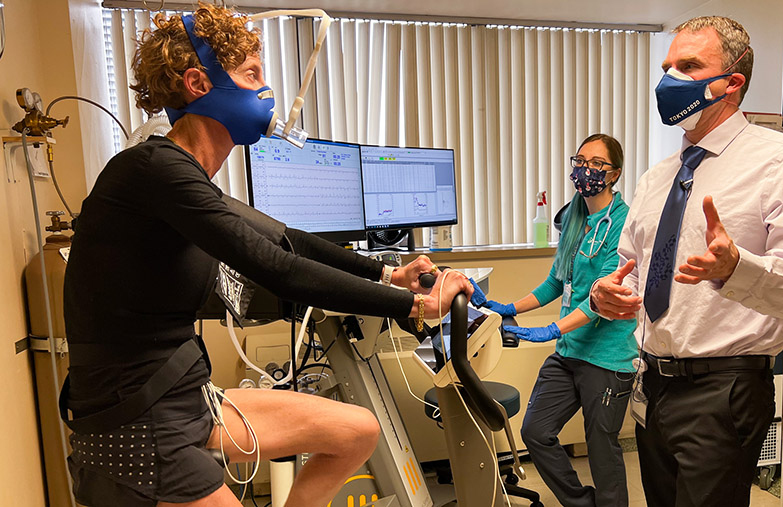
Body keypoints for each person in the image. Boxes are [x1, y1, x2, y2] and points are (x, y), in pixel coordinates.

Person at [60, 4, 471, 507]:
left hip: (186, 400)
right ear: (198, 84)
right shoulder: (152, 170)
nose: (265, 90)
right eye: (251, 74)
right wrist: (414, 306)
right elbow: (277, 268)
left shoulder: (184, 175)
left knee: (356, 431)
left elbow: (287, 240)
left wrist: (390, 272)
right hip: (135, 422)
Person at [590, 16, 783, 507]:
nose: (669, 80)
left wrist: (736, 268)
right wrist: (606, 294)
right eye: (667, 67)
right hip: (652, 383)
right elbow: (631, 269)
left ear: (732, 82)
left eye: (689, 65)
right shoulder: (656, 178)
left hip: (724, 390)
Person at [471, 134, 636, 507]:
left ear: (615, 174)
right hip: (568, 352)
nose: (586, 170)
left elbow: (602, 297)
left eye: (597, 164)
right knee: (536, 432)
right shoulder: (575, 216)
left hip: (607, 356)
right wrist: (506, 308)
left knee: (601, 452)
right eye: (580, 160)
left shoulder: (624, 224)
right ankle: (582, 504)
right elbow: (554, 283)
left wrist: (549, 329)